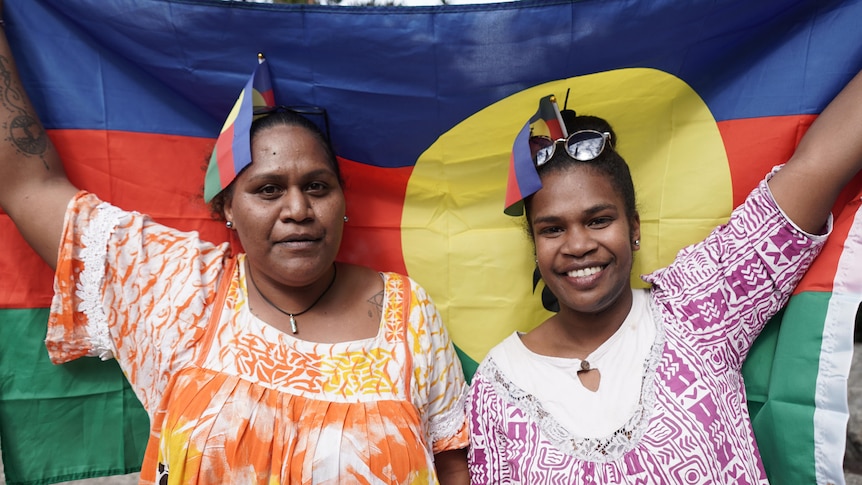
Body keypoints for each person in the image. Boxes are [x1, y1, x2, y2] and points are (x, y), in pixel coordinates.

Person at [0, 12, 470, 485]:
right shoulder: (178, 290)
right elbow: (28, 186)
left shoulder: (408, 313)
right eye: (268, 189)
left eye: (318, 186)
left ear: (343, 201)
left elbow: (451, 465)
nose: (297, 209)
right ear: (227, 207)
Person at [467, 70, 862, 484]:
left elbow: (816, 168)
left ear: (634, 228)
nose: (578, 245)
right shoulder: (499, 384)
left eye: (599, 220)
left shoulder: (699, 308)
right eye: (552, 229)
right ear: (535, 244)